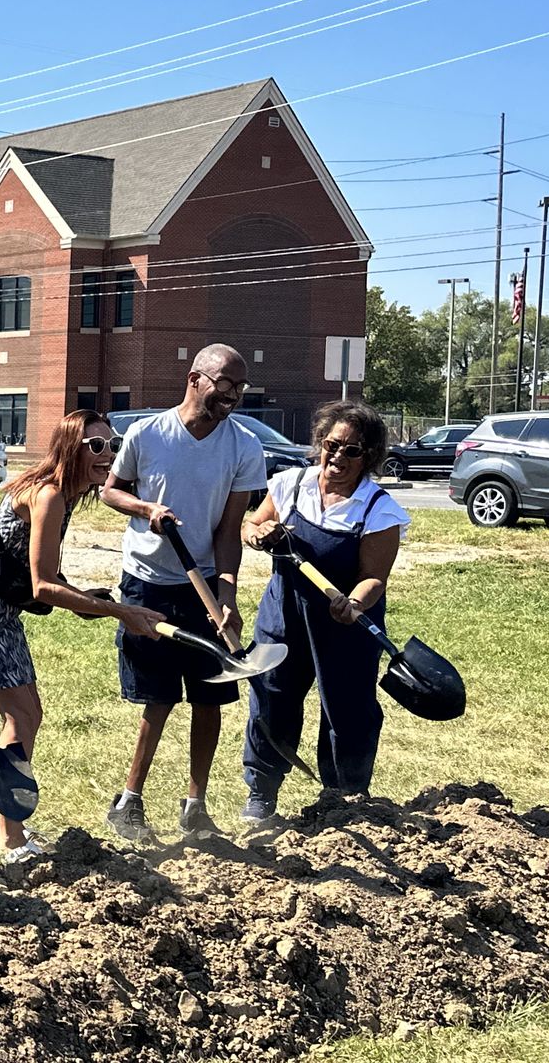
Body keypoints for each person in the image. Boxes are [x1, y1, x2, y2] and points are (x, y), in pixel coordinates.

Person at [0, 410, 168, 861]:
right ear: (70, 449)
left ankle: (12, 827)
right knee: (22, 716)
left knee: (27, 715)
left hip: (0, 610)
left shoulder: (62, 492)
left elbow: (42, 575)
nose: (107, 456)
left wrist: (89, 602)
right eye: (95, 447)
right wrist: (120, 610)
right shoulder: (50, 494)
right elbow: (43, 586)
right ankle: (10, 837)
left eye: (112, 445)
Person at [99, 343, 267, 842]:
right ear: (195, 379)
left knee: (210, 697)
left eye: (241, 387)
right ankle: (129, 803)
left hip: (203, 584)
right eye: (225, 384)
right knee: (159, 698)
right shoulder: (148, 433)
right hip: (148, 581)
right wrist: (145, 508)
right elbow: (110, 489)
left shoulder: (243, 447)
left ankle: (195, 806)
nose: (234, 395)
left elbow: (228, 530)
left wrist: (228, 595)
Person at [238, 401, 408, 821]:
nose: (338, 458)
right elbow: (250, 525)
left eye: (353, 451)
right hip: (284, 614)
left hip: (344, 622)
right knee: (271, 698)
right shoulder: (290, 485)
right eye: (333, 446)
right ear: (320, 444)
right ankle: (261, 796)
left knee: (347, 710)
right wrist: (259, 533)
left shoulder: (376, 508)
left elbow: (374, 577)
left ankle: (343, 800)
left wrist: (354, 603)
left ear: (368, 458)